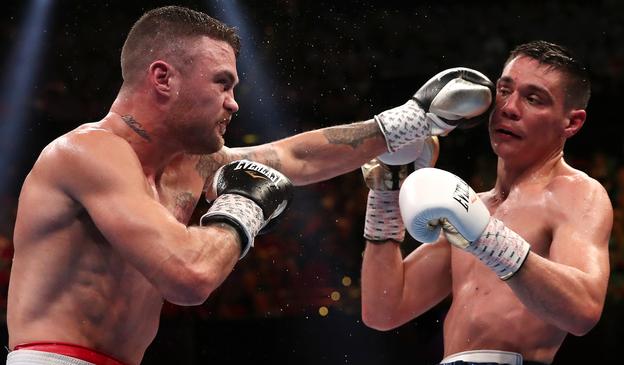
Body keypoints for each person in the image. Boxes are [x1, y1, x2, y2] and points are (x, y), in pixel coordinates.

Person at [6, 5, 494, 365]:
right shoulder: (90, 153)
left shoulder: (189, 165)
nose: (234, 103)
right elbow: (189, 276)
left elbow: (292, 156)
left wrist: (403, 123)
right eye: (222, 83)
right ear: (163, 78)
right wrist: (243, 206)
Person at [360, 40, 613, 365]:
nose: (509, 107)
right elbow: (384, 310)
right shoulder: (470, 207)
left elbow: (583, 310)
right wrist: (386, 193)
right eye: (505, 90)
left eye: (533, 99)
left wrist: (485, 237)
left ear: (572, 122)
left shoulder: (576, 193)